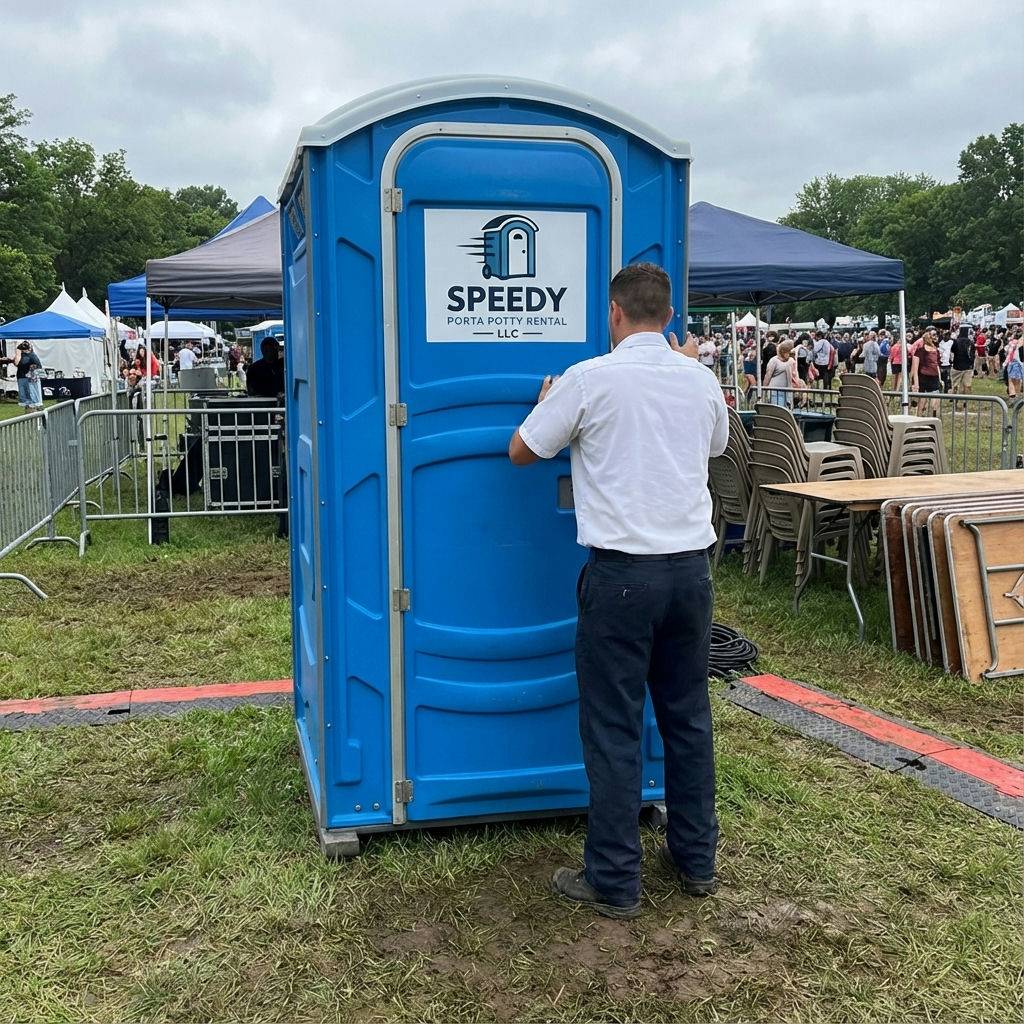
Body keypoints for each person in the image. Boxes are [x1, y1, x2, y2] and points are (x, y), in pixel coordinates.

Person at [508, 262, 727, 919]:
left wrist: (545, 404)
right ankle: (697, 861)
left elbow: (522, 451)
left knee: (613, 727)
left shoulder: (588, 379)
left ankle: (614, 879)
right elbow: (715, 446)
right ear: (668, 315)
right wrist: (690, 367)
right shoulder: (700, 379)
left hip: (622, 578)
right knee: (688, 718)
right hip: (690, 573)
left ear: (614, 313)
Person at [0, 341, 44, 411]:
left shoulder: (30, 355)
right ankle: (31, 410)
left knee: (32, 397)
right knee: (27, 398)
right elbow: (19, 363)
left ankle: (34, 410)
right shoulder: (28, 355)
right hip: (23, 377)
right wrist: (11, 360)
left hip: (30, 379)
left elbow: (18, 363)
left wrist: (17, 353)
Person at [911, 330, 942, 416]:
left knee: (929, 402)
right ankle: (922, 418)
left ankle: (928, 417)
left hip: (930, 378)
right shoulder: (921, 351)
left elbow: (936, 365)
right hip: (925, 377)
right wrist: (916, 384)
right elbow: (915, 369)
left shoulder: (935, 350)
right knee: (923, 402)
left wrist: (939, 379)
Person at [763, 340, 799, 406]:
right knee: (778, 409)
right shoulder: (774, 360)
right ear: (783, 351)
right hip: (775, 391)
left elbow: (795, 375)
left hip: (787, 392)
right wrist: (764, 389)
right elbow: (768, 376)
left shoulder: (791, 361)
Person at [950, 325, 975, 398]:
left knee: (955, 384)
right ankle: (966, 400)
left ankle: (954, 398)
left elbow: (952, 351)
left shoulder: (956, 341)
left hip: (957, 366)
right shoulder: (970, 342)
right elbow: (972, 355)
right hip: (967, 367)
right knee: (967, 385)